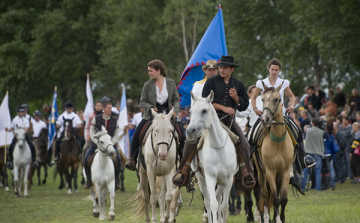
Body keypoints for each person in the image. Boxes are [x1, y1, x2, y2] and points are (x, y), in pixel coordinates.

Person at [173, 55, 255, 192]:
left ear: (232, 69)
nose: (222, 70)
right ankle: (183, 170)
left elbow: (244, 107)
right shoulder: (210, 83)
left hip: (228, 121)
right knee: (190, 140)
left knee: (244, 143)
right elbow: (206, 102)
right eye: (221, 67)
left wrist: (236, 98)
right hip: (211, 119)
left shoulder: (239, 85)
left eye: (225, 68)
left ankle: (246, 172)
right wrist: (224, 108)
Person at [250, 58, 315, 194]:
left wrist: (291, 106)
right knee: (251, 133)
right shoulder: (261, 83)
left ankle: (303, 159)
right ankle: (249, 159)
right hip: (265, 114)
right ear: (269, 69)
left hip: (281, 115)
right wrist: (256, 108)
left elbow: (291, 96)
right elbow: (253, 97)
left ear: (279, 70)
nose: (274, 72)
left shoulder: (284, 82)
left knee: (297, 131)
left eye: (276, 70)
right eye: (272, 69)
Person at [124, 60, 186, 183]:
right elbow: (142, 101)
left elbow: (176, 100)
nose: (149, 73)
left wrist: (175, 111)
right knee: (137, 133)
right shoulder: (148, 84)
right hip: (151, 116)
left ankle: (184, 164)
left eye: (151, 71)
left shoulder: (171, 83)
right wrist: (149, 107)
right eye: (148, 71)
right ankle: (132, 159)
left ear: (158, 71)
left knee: (182, 135)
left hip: (168, 116)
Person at [83, 97, 122, 190]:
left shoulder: (115, 120)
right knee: (85, 159)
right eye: (109, 108)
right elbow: (91, 132)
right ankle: (88, 180)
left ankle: (116, 180)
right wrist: (96, 141)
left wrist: (110, 144)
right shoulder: (96, 119)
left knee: (119, 160)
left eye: (111, 108)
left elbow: (116, 134)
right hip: (96, 144)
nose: (110, 110)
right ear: (104, 109)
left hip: (110, 145)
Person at [302, 118, 329, 191]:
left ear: (313, 123)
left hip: (309, 152)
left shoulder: (307, 130)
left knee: (306, 171)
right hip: (318, 152)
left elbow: (304, 137)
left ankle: (303, 187)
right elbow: (327, 137)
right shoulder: (322, 132)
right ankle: (318, 188)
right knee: (317, 171)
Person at [336, 116, 353, 183]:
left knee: (349, 161)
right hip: (344, 147)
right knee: (344, 162)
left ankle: (350, 175)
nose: (342, 122)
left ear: (347, 121)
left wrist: (340, 130)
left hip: (349, 147)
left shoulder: (350, 128)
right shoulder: (342, 127)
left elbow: (346, 135)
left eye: (343, 120)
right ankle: (345, 175)